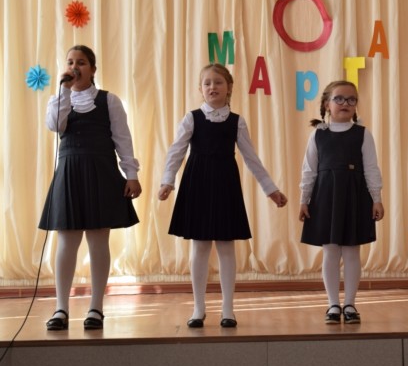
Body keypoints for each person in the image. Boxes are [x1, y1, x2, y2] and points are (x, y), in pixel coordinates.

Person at [158, 63, 287, 328]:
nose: (212, 87)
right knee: (200, 246)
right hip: (197, 182)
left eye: (218, 82)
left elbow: (251, 158)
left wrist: (271, 189)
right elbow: (176, 151)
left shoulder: (237, 121)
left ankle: (228, 308)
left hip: (225, 183)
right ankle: (198, 307)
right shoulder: (192, 118)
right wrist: (167, 181)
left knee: (227, 246)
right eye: (207, 83)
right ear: (200, 89)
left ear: (228, 88)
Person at [40, 45, 142, 331]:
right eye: (70, 62)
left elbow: (123, 139)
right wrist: (64, 92)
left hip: (101, 173)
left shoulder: (110, 101)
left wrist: (131, 174)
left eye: (81, 62)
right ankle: (61, 308)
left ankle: (96, 307)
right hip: (70, 174)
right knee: (66, 241)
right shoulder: (58, 99)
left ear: (93, 69)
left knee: (98, 241)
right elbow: (54, 126)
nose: (75, 67)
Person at [298, 80, 384, 325]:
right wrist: (304, 200)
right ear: (327, 104)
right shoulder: (318, 134)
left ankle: (350, 304)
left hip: (354, 195)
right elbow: (309, 170)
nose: (345, 103)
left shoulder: (363, 134)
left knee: (352, 250)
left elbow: (371, 168)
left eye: (351, 99)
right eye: (339, 99)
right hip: (326, 196)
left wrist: (377, 199)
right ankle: (333, 304)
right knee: (330, 250)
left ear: (356, 105)